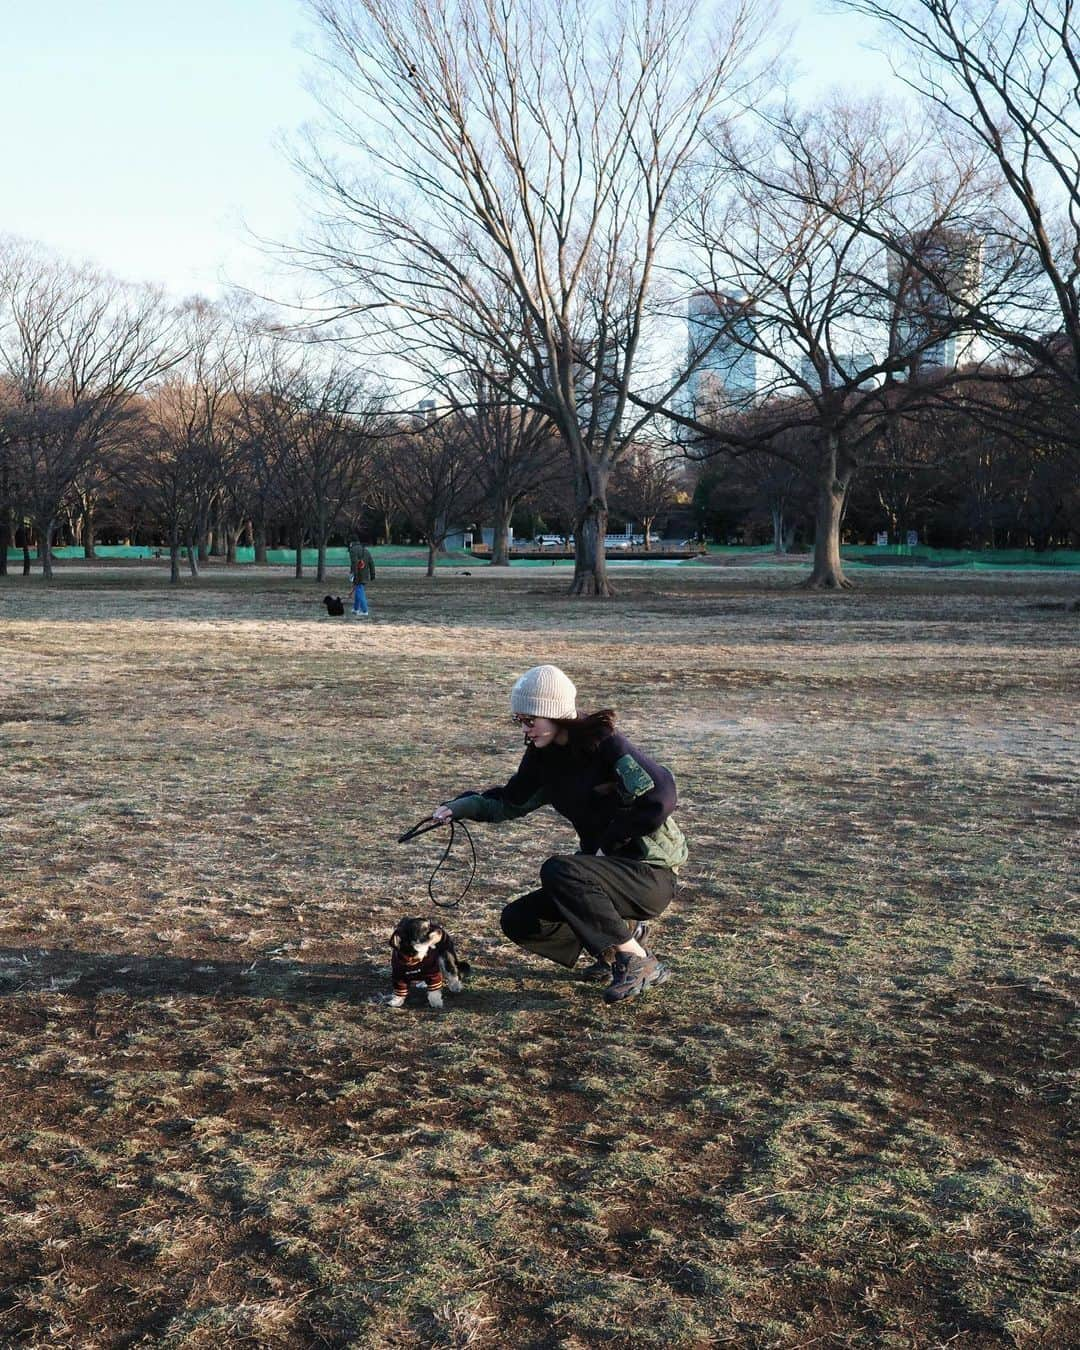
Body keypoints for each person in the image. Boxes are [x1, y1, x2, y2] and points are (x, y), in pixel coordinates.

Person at [432, 664, 687, 1003]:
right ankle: (618, 947)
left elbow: (661, 794)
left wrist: (610, 841)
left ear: (554, 714)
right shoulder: (543, 757)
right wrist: (459, 807)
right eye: (519, 721)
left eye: (530, 720)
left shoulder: (606, 745)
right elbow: (510, 801)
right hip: (603, 875)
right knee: (519, 919)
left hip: (649, 873)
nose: (525, 729)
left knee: (561, 870)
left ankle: (636, 960)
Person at [348, 540, 375, 617]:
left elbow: (354, 564)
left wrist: (355, 576)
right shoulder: (366, 550)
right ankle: (356, 609)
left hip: (358, 575)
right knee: (358, 590)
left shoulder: (353, 550)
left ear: (351, 543)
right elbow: (371, 563)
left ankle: (364, 610)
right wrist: (373, 574)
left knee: (360, 591)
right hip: (365, 575)